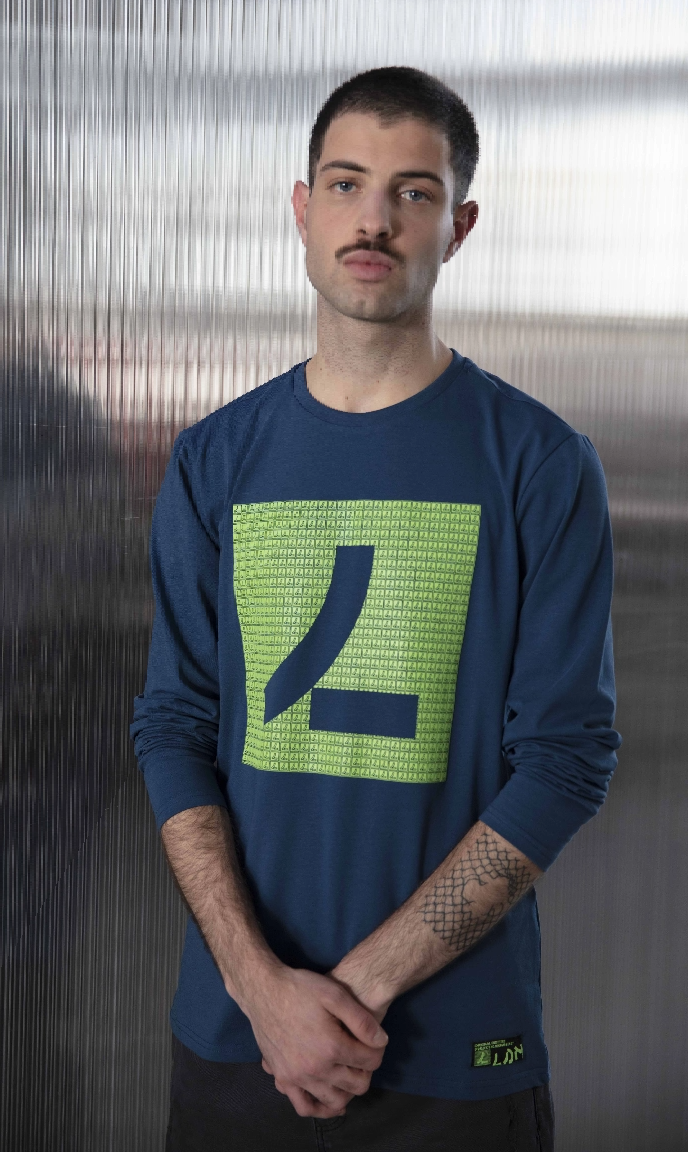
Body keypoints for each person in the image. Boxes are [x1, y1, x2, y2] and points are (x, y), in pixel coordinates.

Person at [131, 66, 620, 1152]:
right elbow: (174, 724)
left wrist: (344, 998)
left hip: (458, 1053)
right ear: (301, 208)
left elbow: (565, 761)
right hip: (235, 1037)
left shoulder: (539, 463)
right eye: (346, 182)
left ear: (459, 225)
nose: (374, 218)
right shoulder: (216, 460)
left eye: (413, 191)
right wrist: (263, 992)